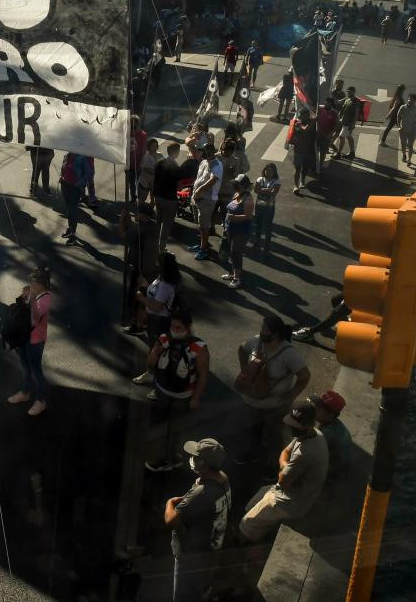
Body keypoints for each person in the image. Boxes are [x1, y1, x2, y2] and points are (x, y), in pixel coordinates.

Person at [239, 403, 329, 542]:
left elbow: (283, 481)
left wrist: (284, 468)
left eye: (295, 426)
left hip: (291, 502)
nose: (290, 428)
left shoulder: (303, 453)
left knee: (248, 522)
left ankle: (241, 543)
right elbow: (285, 452)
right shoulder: (313, 435)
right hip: (288, 491)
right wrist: (285, 466)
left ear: (306, 426)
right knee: (254, 502)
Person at [236, 316, 311, 466]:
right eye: (262, 328)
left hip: (274, 407)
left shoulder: (288, 353)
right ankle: (253, 454)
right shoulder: (257, 342)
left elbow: (304, 376)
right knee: (253, 431)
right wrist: (245, 371)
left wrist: (291, 396)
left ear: (276, 334)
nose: (261, 332)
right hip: (252, 401)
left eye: (265, 330)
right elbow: (242, 349)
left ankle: (274, 465)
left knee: (274, 437)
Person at [166, 439, 231, 602]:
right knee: (201, 587)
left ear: (204, 463)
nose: (192, 459)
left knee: (184, 596)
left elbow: (171, 521)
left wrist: (170, 502)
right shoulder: (223, 478)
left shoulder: (201, 493)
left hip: (192, 558)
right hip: (212, 548)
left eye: (196, 457)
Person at [142, 313, 209, 472]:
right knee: (163, 426)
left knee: (174, 427)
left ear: (188, 327)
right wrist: (155, 352)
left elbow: (203, 375)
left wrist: (196, 398)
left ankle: (167, 457)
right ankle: (163, 458)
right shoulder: (164, 339)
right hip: (164, 391)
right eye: (172, 327)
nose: (174, 330)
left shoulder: (199, 347)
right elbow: (150, 364)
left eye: (178, 327)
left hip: (182, 396)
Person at [7, 267, 50, 416]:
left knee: (36, 371)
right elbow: (20, 306)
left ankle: (41, 401)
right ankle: (25, 392)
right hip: (24, 337)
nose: (31, 285)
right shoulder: (33, 294)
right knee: (25, 367)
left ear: (41, 284)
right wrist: (24, 296)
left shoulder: (45, 298)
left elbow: (36, 318)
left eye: (34, 283)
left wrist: (31, 299)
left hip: (36, 341)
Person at [129, 251, 181, 346]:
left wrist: (141, 298)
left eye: (157, 263)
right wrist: (146, 285)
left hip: (158, 322)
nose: (155, 265)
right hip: (155, 320)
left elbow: (157, 307)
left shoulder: (165, 286)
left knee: (155, 347)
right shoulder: (162, 278)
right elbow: (157, 295)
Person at [309, 391, 352, 482]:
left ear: (330, 414)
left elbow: (310, 451)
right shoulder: (331, 423)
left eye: (317, 409)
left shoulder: (327, 433)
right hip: (338, 463)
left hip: (333, 470)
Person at [188, 144, 221, 262]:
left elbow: (212, 181)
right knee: (200, 225)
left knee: (205, 226)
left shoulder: (217, 165)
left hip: (207, 200)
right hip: (198, 198)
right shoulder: (204, 162)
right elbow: (199, 178)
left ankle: (204, 249)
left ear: (211, 151)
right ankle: (202, 244)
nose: (202, 153)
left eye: (204, 151)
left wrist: (198, 190)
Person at [221, 176, 254, 289]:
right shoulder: (236, 194)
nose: (235, 185)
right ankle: (232, 274)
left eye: (237, 184)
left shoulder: (248, 199)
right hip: (231, 228)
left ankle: (237, 279)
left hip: (241, 231)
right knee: (231, 252)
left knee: (236, 253)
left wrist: (233, 217)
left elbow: (248, 216)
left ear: (243, 185)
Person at [154, 143, 184, 253]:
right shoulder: (176, 167)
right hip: (170, 199)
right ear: (176, 152)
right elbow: (180, 186)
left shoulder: (159, 163)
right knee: (166, 224)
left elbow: (155, 178)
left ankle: (154, 244)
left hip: (158, 196)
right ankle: (161, 248)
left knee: (157, 221)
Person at [59, 152, 93, 246]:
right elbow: (63, 168)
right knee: (69, 209)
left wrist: (78, 184)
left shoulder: (82, 157)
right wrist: (61, 176)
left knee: (72, 210)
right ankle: (70, 229)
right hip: (65, 185)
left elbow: (88, 173)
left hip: (74, 188)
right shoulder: (67, 155)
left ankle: (72, 235)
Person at [253, 164, 281, 255]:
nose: (268, 172)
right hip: (259, 206)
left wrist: (262, 189)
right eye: (267, 170)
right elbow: (256, 190)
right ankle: (257, 243)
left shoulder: (277, 181)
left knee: (268, 226)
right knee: (258, 225)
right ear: (264, 171)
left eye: (271, 171)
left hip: (269, 208)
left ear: (274, 172)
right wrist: (268, 190)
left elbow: (273, 193)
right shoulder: (260, 179)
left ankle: (267, 245)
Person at [287, 109, 316, 194]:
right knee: (297, 169)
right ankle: (296, 186)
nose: (300, 117)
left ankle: (302, 180)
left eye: (303, 115)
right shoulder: (297, 123)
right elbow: (305, 131)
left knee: (305, 168)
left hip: (309, 150)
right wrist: (313, 122)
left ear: (307, 115)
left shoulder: (312, 123)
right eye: (300, 115)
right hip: (299, 150)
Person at [335, 86, 360, 159]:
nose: (348, 93)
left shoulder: (356, 101)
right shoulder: (347, 99)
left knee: (341, 136)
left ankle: (338, 153)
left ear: (353, 92)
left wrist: (352, 124)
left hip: (349, 123)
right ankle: (352, 153)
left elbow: (356, 114)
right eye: (348, 91)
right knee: (348, 137)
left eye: (350, 92)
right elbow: (343, 109)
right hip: (344, 121)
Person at [396, 93, 416, 165]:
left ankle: (409, 160)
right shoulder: (403, 107)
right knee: (403, 144)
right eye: (409, 98)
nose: (410, 100)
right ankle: (404, 155)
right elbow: (398, 116)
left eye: (412, 99)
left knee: (410, 146)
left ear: (415, 101)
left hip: (412, 131)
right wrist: (399, 126)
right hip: (403, 129)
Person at [127, 116, 147, 203]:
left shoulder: (143, 135)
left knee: (139, 182)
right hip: (128, 163)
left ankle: (139, 198)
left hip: (138, 163)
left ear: (138, 123)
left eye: (134, 122)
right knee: (131, 182)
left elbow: (144, 150)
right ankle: (133, 197)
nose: (133, 124)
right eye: (131, 122)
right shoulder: (127, 133)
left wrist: (142, 163)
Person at [315, 99, 338, 166]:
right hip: (318, 134)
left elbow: (336, 125)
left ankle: (321, 164)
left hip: (327, 136)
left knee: (323, 151)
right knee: (315, 150)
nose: (325, 105)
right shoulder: (320, 108)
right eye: (325, 103)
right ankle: (315, 163)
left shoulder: (335, 113)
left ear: (331, 104)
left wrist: (330, 135)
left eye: (327, 103)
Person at [137, 138, 160, 203]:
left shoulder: (159, 155)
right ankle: (139, 211)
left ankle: (150, 210)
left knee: (153, 199)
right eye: (153, 146)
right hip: (145, 182)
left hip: (153, 182)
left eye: (156, 146)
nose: (155, 148)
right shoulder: (146, 157)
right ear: (149, 147)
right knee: (142, 199)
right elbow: (148, 170)